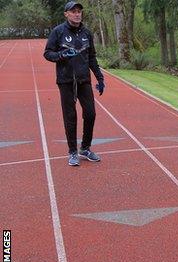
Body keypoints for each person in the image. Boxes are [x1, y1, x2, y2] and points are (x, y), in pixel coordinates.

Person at [44, 1, 105, 167]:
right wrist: (62, 55)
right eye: (73, 11)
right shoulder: (58, 32)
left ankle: (85, 148)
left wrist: (100, 78)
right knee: (70, 117)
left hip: (84, 80)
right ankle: (72, 152)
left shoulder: (87, 33)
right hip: (66, 81)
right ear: (66, 14)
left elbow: (91, 57)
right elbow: (48, 53)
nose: (77, 14)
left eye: (79, 11)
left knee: (91, 114)